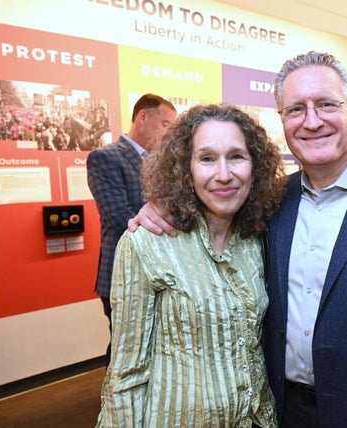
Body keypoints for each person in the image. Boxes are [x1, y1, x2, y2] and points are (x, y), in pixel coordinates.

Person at [131, 51, 347, 427]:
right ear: (283, 122)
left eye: (325, 105)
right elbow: (210, 214)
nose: (312, 121)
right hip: (280, 409)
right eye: (296, 109)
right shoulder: (270, 200)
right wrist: (160, 208)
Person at [97, 104, 285, 427]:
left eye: (237, 156)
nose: (223, 174)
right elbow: (126, 375)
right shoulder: (147, 243)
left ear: (255, 168)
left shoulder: (256, 240)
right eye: (207, 158)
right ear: (185, 170)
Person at [86, 93, 176, 365]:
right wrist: (170, 230)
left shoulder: (164, 163)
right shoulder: (106, 158)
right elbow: (119, 216)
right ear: (143, 117)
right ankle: (115, 405)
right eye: (165, 125)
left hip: (162, 272)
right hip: (123, 273)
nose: (168, 133)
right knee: (125, 350)